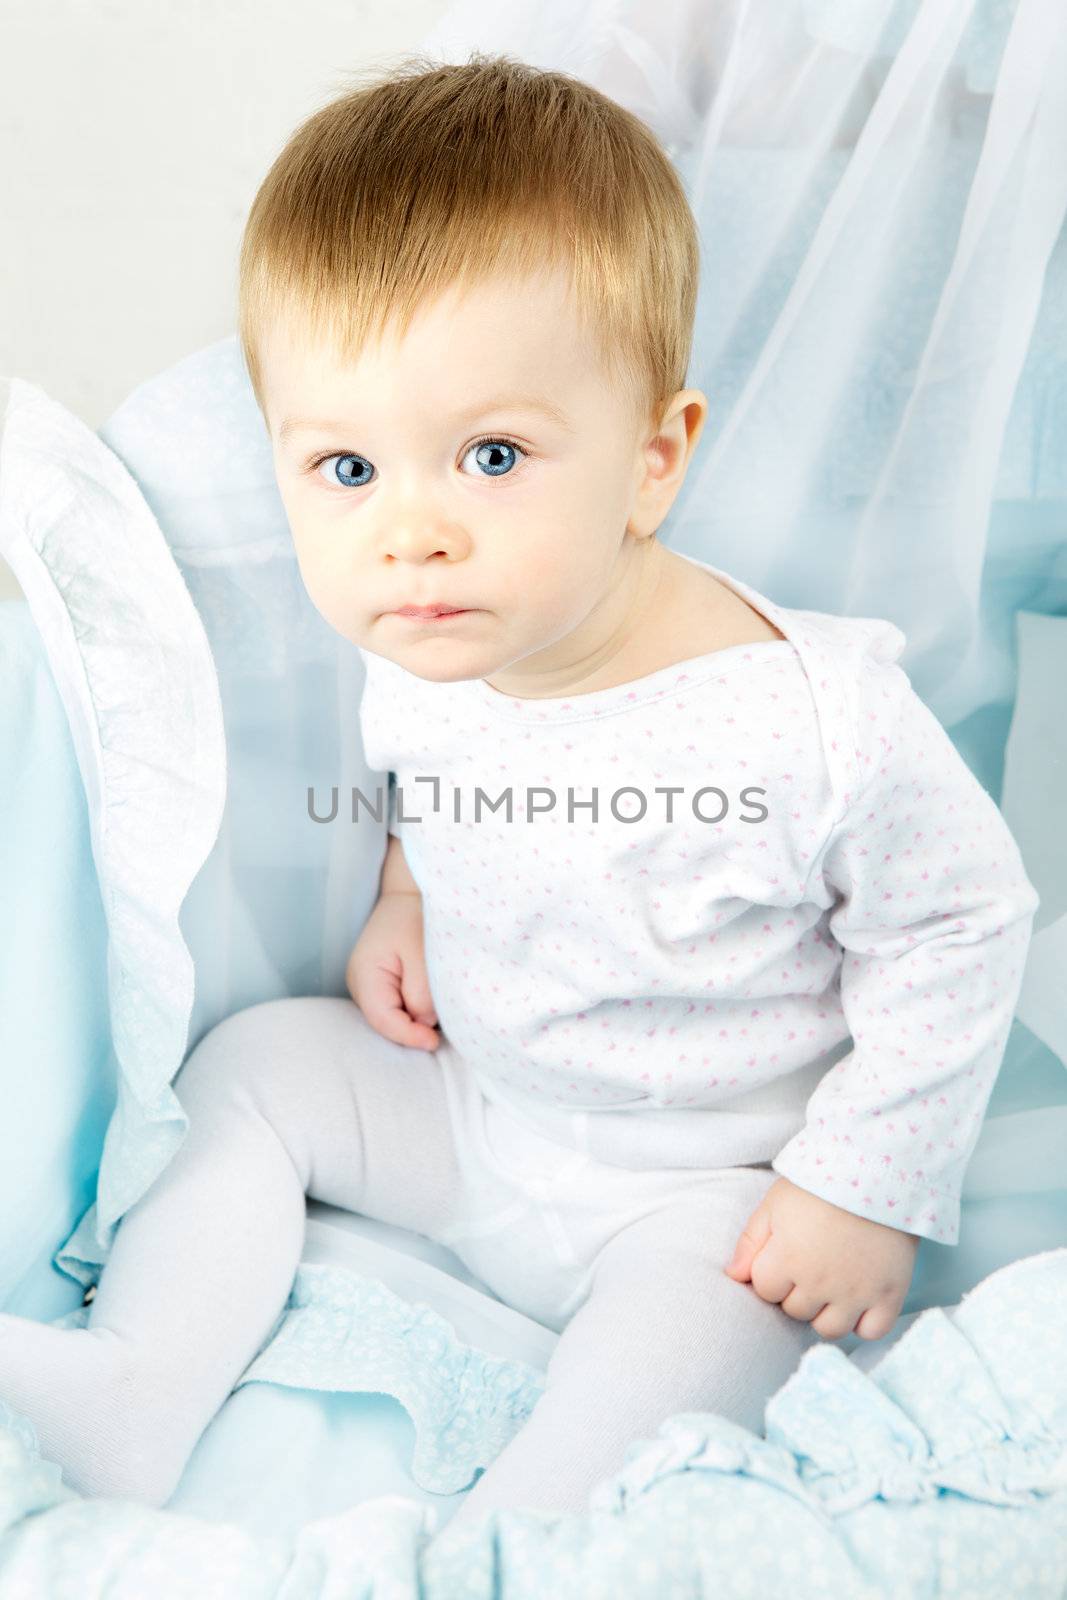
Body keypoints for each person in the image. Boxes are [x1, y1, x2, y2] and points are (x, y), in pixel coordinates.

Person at [0, 51, 1038, 1531]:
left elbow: (962, 921)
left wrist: (860, 1187)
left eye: (491, 456)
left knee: (647, 1407)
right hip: (479, 1114)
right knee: (252, 1067)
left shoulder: (816, 720)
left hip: (709, 1196)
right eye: (346, 468)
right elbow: (433, 788)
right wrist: (406, 898)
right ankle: (135, 1389)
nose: (410, 535)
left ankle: (520, 1534)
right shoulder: (428, 640)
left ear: (653, 459)